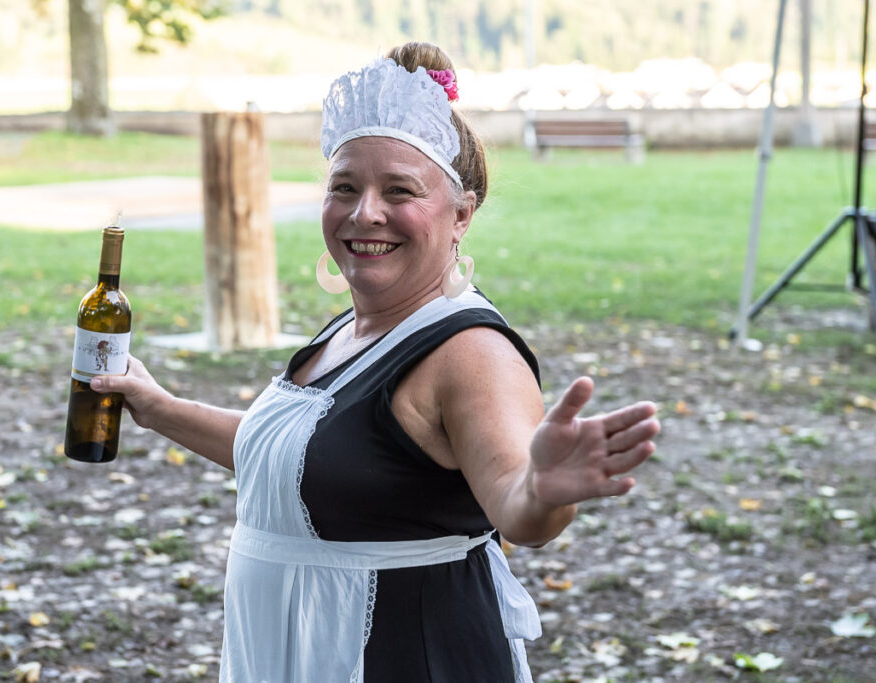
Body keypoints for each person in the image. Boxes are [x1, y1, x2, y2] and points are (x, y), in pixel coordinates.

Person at [91, 41, 660, 683]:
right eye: (344, 187)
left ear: (461, 214)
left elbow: (517, 502)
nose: (366, 212)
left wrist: (543, 490)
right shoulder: (354, 327)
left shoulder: (470, 352)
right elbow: (303, 459)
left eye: (399, 190)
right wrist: (159, 408)